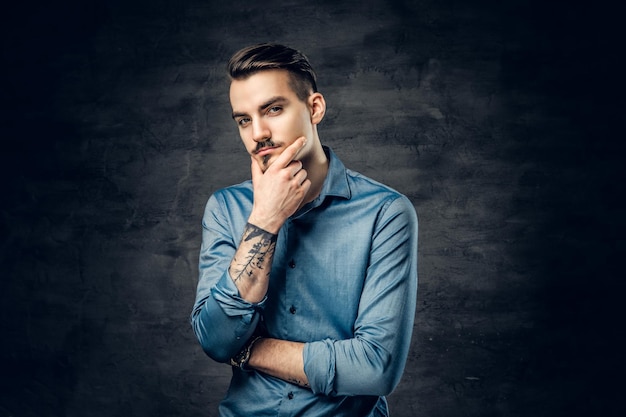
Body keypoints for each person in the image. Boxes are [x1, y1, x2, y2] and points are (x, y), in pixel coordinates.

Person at [190, 43, 418, 416]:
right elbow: (215, 340)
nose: (258, 133)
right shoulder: (226, 208)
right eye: (244, 119)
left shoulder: (385, 213)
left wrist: (248, 349)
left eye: (273, 109)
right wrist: (265, 219)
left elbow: (375, 367)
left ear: (314, 108)